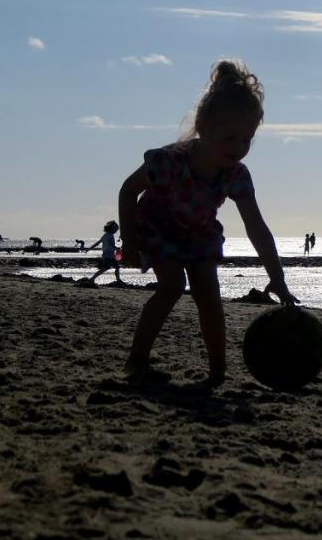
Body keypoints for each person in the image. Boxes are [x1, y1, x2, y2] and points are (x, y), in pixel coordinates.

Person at [118, 60, 296, 386]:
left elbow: (257, 227)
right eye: (229, 138)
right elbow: (128, 190)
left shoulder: (236, 176)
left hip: (198, 235)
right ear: (203, 126)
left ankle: (217, 371)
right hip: (157, 228)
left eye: (247, 139)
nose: (238, 148)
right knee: (171, 287)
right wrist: (128, 242)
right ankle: (136, 361)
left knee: (208, 295)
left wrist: (277, 277)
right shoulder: (169, 162)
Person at [86, 221, 123, 285]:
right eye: (115, 229)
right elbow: (110, 245)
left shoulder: (105, 235)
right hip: (109, 255)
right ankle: (92, 278)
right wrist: (117, 248)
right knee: (110, 268)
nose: (116, 231)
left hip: (106, 255)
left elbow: (98, 243)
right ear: (112, 229)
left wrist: (90, 248)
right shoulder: (110, 236)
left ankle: (92, 278)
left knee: (111, 267)